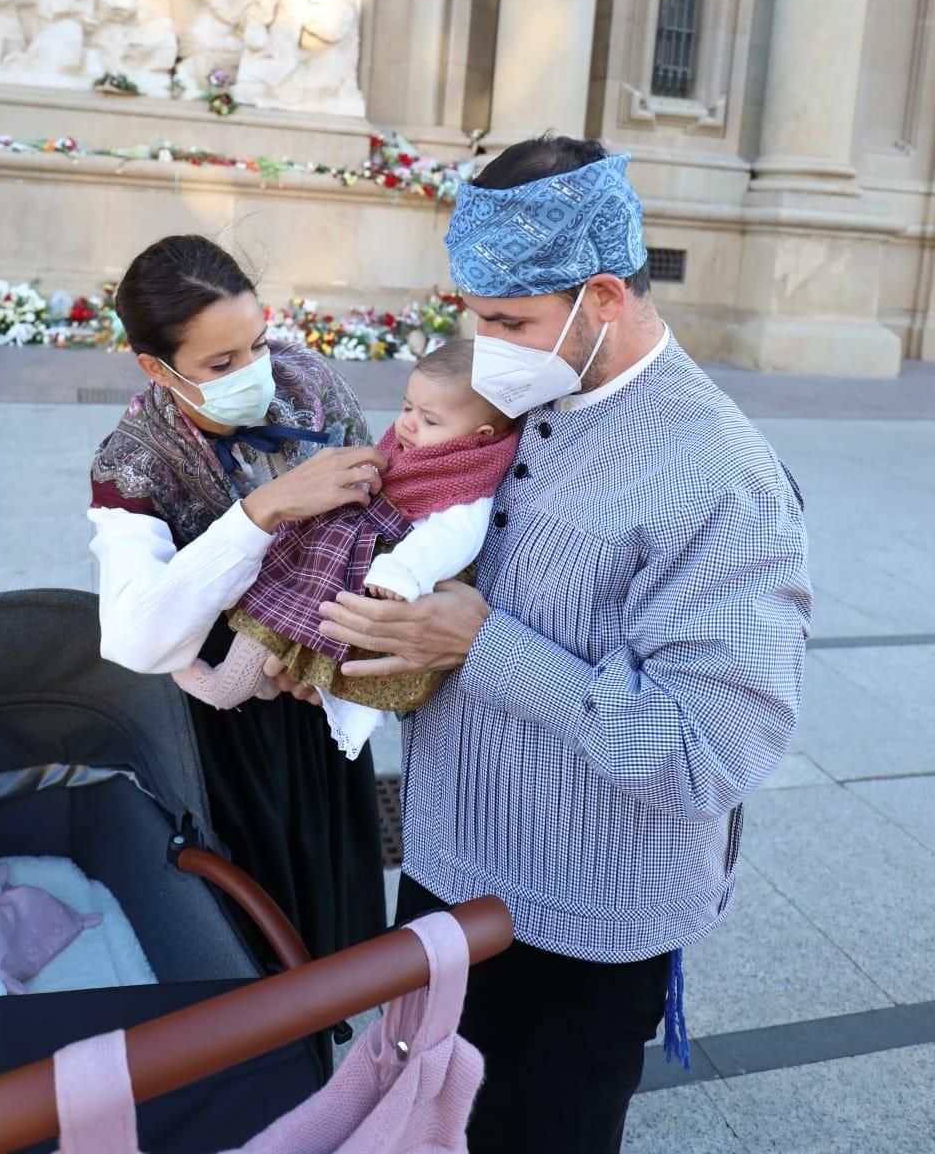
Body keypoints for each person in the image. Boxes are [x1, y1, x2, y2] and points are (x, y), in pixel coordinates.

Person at [317, 135, 813, 1154]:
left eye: (507, 321)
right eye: (471, 315)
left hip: (575, 923)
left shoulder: (720, 475)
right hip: (445, 874)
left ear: (600, 300)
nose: (482, 344)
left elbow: (710, 751)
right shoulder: (514, 401)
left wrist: (485, 644)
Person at [88, 234, 386, 961]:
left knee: (332, 907)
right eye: (221, 365)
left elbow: (382, 518)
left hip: (321, 696)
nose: (256, 374)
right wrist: (261, 513)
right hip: (226, 736)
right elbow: (135, 637)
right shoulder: (135, 462)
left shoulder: (308, 383)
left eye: (256, 343)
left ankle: (329, 1020)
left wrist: (338, 651)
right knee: (254, 929)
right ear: (157, 368)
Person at [176, 340, 521, 760]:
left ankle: (222, 690)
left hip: (367, 578)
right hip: (343, 555)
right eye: (407, 407)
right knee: (276, 618)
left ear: (478, 436)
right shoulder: (423, 454)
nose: (408, 424)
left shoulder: (465, 484)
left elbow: (451, 540)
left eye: (428, 419)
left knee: (277, 622)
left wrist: (403, 571)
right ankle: (256, 681)